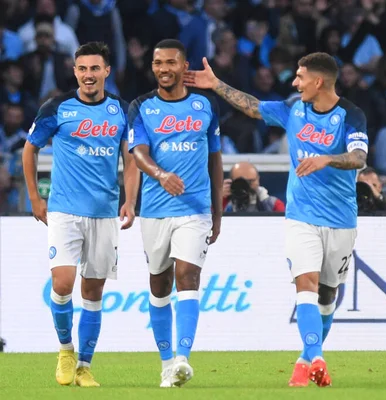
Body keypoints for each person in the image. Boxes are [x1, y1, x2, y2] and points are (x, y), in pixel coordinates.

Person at [184, 52, 368, 387]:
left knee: (327, 296)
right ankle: (319, 359)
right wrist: (216, 85)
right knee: (306, 284)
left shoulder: (351, 116)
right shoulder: (293, 108)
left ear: (319, 81)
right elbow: (253, 106)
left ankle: (305, 357)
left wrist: (327, 158)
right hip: (301, 216)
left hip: (341, 219)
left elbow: (359, 157)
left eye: (300, 77)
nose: (295, 83)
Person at [21, 41, 139, 387]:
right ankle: (65, 350)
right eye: (82, 69)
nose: (88, 75)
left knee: (93, 290)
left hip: (104, 213)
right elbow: (30, 151)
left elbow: (130, 160)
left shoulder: (121, 110)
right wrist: (35, 199)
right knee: (62, 283)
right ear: (75, 72)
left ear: (106, 71)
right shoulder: (57, 107)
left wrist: (130, 201)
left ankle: (85, 366)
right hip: (63, 211)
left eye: (94, 68)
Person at [128, 39, 223, 388]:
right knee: (159, 283)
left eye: (170, 62)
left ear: (185, 67)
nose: (163, 69)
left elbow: (215, 159)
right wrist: (160, 175)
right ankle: (166, 362)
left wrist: (218, 212)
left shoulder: (206, 105)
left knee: (187, 275)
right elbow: (138, 151)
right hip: (154, 209)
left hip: (194, 209)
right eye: (157, 63)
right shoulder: (141, 106)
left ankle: (183, 358)